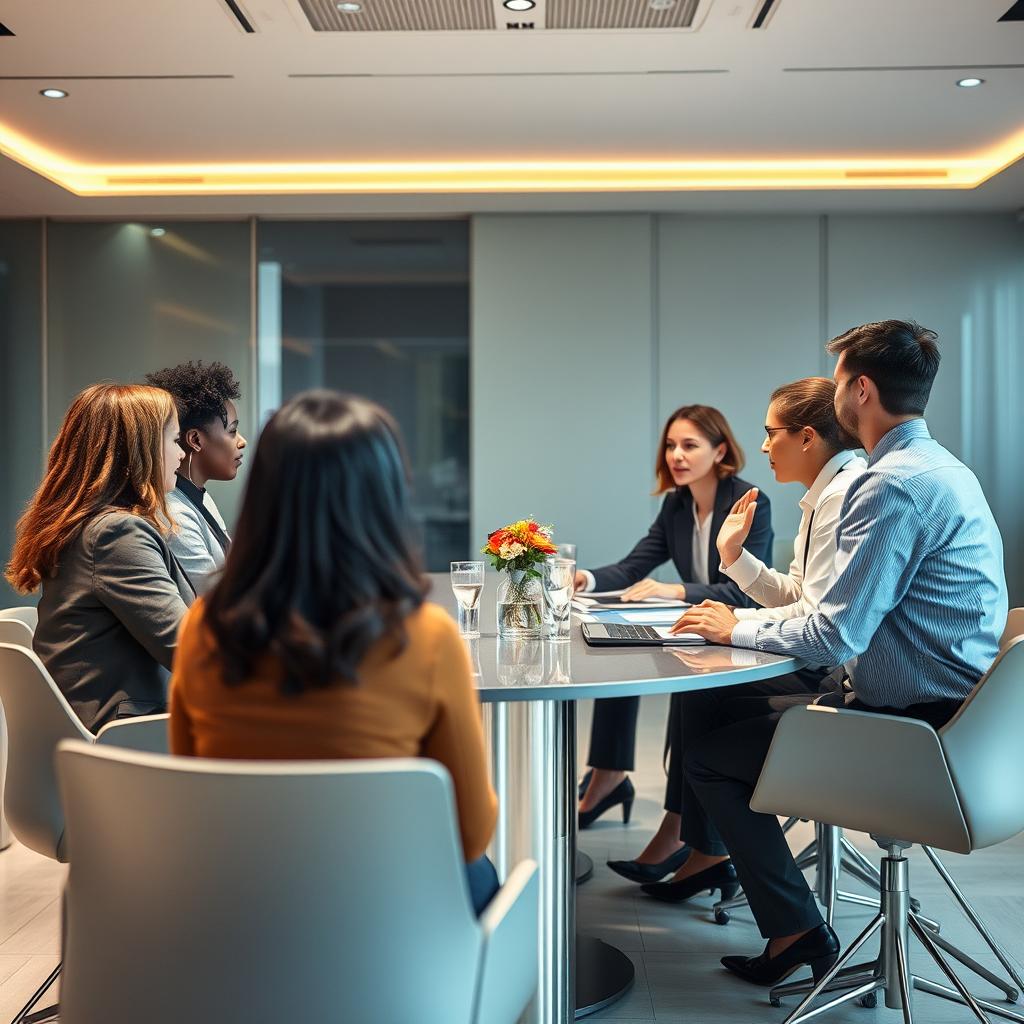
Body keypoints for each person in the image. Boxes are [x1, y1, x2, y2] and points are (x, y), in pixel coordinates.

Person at [675, 321, 1007, 985]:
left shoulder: (889, 486)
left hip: (914, 736)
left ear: (861, 390)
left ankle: (796, 930)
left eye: (836, 384)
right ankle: (748, 890)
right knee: (713, 712)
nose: (831, 398)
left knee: (708, 759)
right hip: (962, 725)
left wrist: (733, 628)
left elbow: (834, 635)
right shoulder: (942, 468)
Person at [169, 390, 500, 915]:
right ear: (386, 497)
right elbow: (471, 833)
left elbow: (193, 799)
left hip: (242, 913)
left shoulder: (204, 629)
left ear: (264, 496)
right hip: (383, 919)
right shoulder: (427, 636)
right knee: (484, 876)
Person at [614, 378, 866, 888]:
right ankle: (700, 848)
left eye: (771, 433)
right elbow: (799, 595)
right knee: (697, 691)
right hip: (830, 662)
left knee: (704, 718)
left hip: (839, 676)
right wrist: (734, 559)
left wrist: (734, 627)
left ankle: (704, 848)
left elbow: (820, 627)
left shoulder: (841, 497)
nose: (765, 446)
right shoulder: (820, 496)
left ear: (807, 437)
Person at [575, 405, 773, 829]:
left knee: (687, 688)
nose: (676, 456)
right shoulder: (677, 504)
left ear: (720, 451)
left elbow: (746, 593)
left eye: (689, 445)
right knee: (615, 647)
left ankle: (677, 823)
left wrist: (676, 590)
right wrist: (583, 578)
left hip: (734, 633)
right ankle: (608, 774)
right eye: (670, 446)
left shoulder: (749, 502)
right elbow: (633, 566)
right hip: (692, 628)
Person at [5, 384, 194, 732]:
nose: (182, 454)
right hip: (128, 733)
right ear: (141, 450)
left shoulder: (88, 527)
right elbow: (189, 651)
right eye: (174, 440)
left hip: (110, 729)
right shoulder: (116, 534)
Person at [144, 361, 246, 593]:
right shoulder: (174, 514)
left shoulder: (199, 497)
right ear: (195, 440)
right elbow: (213, 600)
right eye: (232, 431)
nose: (242, 441)